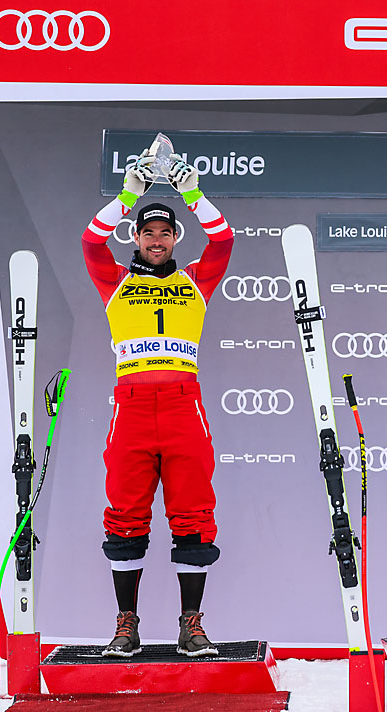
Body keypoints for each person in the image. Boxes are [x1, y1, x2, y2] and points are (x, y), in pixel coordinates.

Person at [82, 147, 234, 657]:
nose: (155, 240)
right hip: (130, 407)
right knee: (124, 514)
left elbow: (224, 239)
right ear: (137, 237)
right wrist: (128, 194)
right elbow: (90, 240)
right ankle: (127, 623)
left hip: (182, 405)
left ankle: (191, 623)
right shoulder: (115, 281)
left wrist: (192, 193)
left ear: (174, 239)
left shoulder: (195, 279)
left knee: (193, 514)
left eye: (164, 232)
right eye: (147, 232)